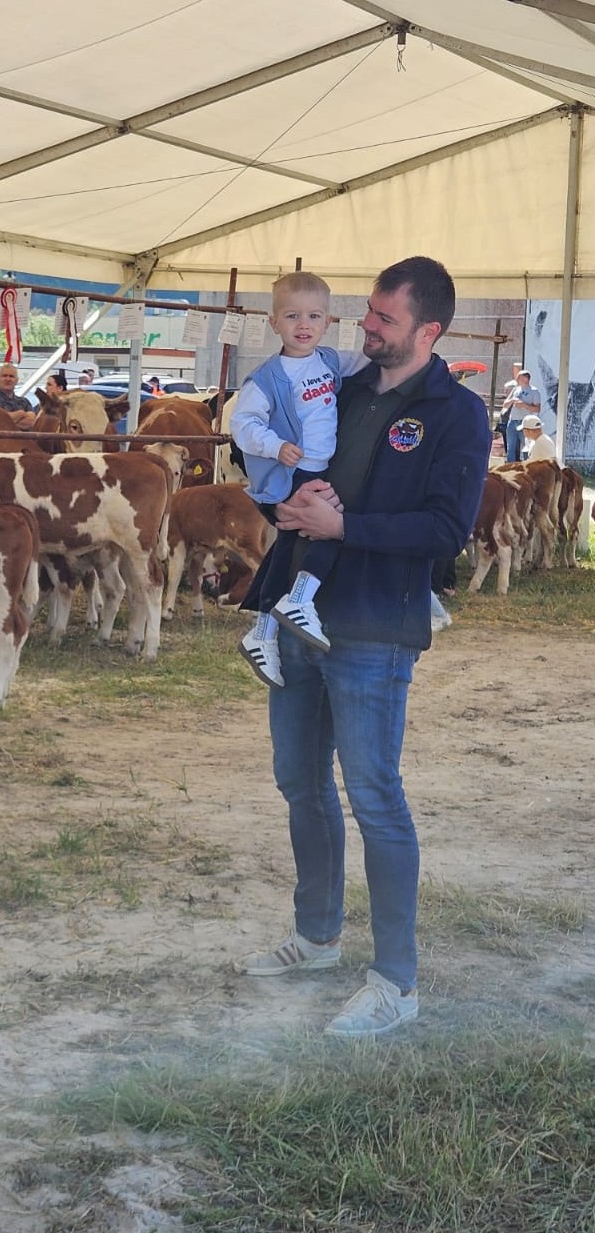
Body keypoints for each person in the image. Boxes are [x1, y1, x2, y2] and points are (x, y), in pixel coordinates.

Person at [239, 256, 490, 1038]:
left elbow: (446, 529)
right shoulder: (338, 384)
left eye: (385, 317)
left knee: (375, 794)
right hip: (298, 611)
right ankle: (317, 936)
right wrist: (283, 506)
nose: (366, 326)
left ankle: (395, 982)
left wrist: (344, 526)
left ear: (428, 330)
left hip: (375, 625)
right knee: (298, 779)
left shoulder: (458, 414)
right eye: (369, 311)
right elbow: (277, 458)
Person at [230, 271, 368, 688]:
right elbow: (242, 423)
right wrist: (275, 446)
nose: (303, 325)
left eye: (314, 316)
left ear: (328, 322)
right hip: (294, 470)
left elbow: (372, 362)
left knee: (289, 546)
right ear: (274, 323)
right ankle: (300, 599)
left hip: (321, 467)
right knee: (331, 530)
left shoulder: (329, 361)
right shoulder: (269, 377)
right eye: (292, 316)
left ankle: (263, 631)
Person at [502, 370, 541, 462]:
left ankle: (528, 464)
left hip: (525, 423)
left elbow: (537, 409)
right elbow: (505, 405)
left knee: (526, 446)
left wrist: (524, 405)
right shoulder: (515, 389)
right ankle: (510, 465)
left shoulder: (534, 391)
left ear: (526, 378)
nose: (517, 379)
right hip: (512, 421)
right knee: (510, 446)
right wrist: (512, 400)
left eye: (519, 377)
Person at [0, 363, 36, 428]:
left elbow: (32, 422)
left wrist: (6, 420)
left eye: (11, 376)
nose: (8, 379)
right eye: (4, 376)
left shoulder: (24, 402)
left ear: (16, 381)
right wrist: (21, 413)